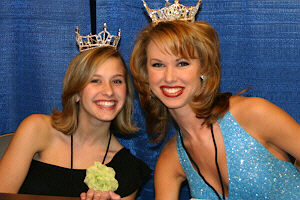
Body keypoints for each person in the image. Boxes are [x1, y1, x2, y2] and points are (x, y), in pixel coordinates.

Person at [129, 18, 300, 200]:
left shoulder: (252, 114)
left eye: (182, 63)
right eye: (158, 65)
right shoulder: (170, 160)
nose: (169, 77)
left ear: (204, 67)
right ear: (146, 75)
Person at [0, 45, 151, 200]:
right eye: (95, 80)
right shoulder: (36, 129)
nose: (109, 91)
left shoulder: (129, 170)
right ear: (76, 91)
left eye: (117, 81)